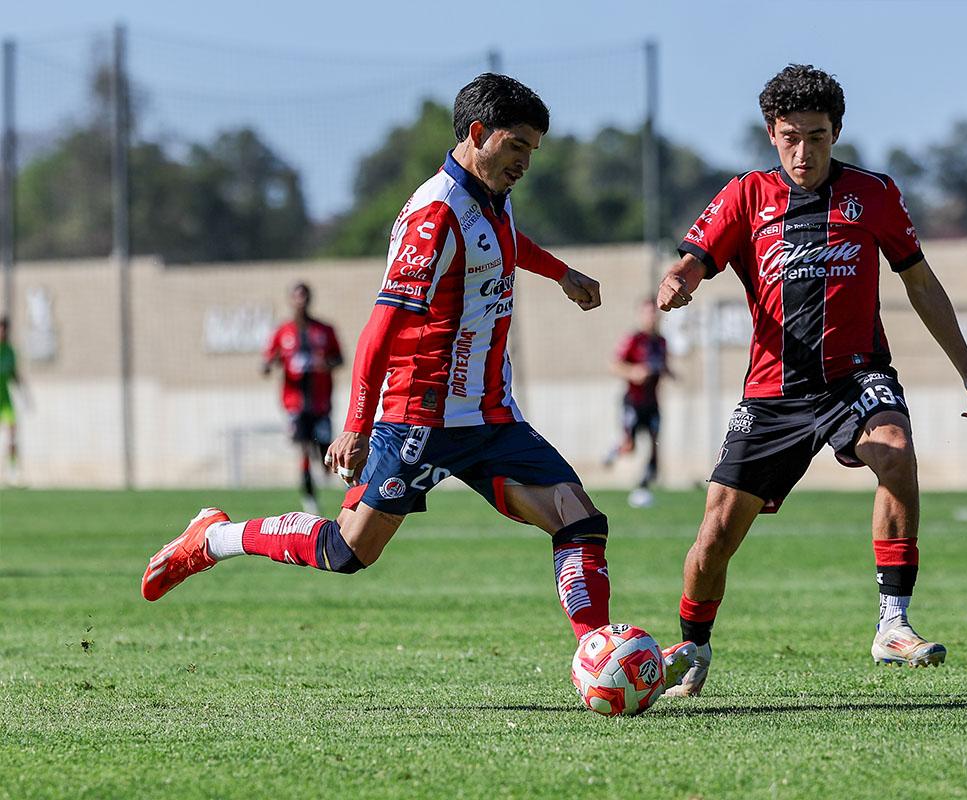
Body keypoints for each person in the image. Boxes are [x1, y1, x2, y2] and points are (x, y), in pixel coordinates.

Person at [140, 73, 696, 683]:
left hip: (491, 417)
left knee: (579, 519)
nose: (525, 163)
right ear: (477, 133)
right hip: (418, 418)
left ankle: (599, 654)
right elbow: (380, 329)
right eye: (516, 146)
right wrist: (356, 425)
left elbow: (503, 241)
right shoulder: (434, 214)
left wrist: (560, 272)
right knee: (348, 550)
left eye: (533, 150)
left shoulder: (492, 194)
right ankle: (215, 538)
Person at [657, 64, 967, 694]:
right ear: (771, 133)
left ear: (836, 132)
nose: (803, 151)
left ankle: (893, 623)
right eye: (790, 137)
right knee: (715, 535)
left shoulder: (874, 194)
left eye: (816, 136)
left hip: (856, 378)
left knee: (894, 449)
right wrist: (678, 281)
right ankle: (694, 646)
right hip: (773, 395)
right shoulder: (745, 196)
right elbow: (692, 261)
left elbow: (921, 283)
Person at [263, 283, 344, 514]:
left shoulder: (324, 330)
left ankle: (331, 476)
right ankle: (310, 499)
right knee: (304, 448)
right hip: (295, 404)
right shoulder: (283, 332)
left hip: (321, 402)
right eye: (296, 297)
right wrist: (272, 362)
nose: (300, 301)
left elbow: (339, 359)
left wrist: (323, 363)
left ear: (309, 299)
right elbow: (266, 363)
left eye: (304, 296)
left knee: (325, 448)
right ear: (290, 300)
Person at [605, 298, 672, 508]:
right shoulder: (633, 339)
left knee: (655, 445)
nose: (652, 317)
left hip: (653, 403)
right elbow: (614, 365)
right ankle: (616, 449)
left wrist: (670, 373)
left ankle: (643, 487)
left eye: (654, 313)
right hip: (633, 402)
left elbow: (662, 365)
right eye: (648, 313)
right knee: (630, 447)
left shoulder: (661, 342)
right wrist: (633, 372)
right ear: (641, 315)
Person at [0, 316, 26, 485]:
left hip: (5, 400)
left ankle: (13, 472)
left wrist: (24, 394)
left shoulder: (9, 351)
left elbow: (14, 374)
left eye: (4, 329)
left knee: (12, 436)